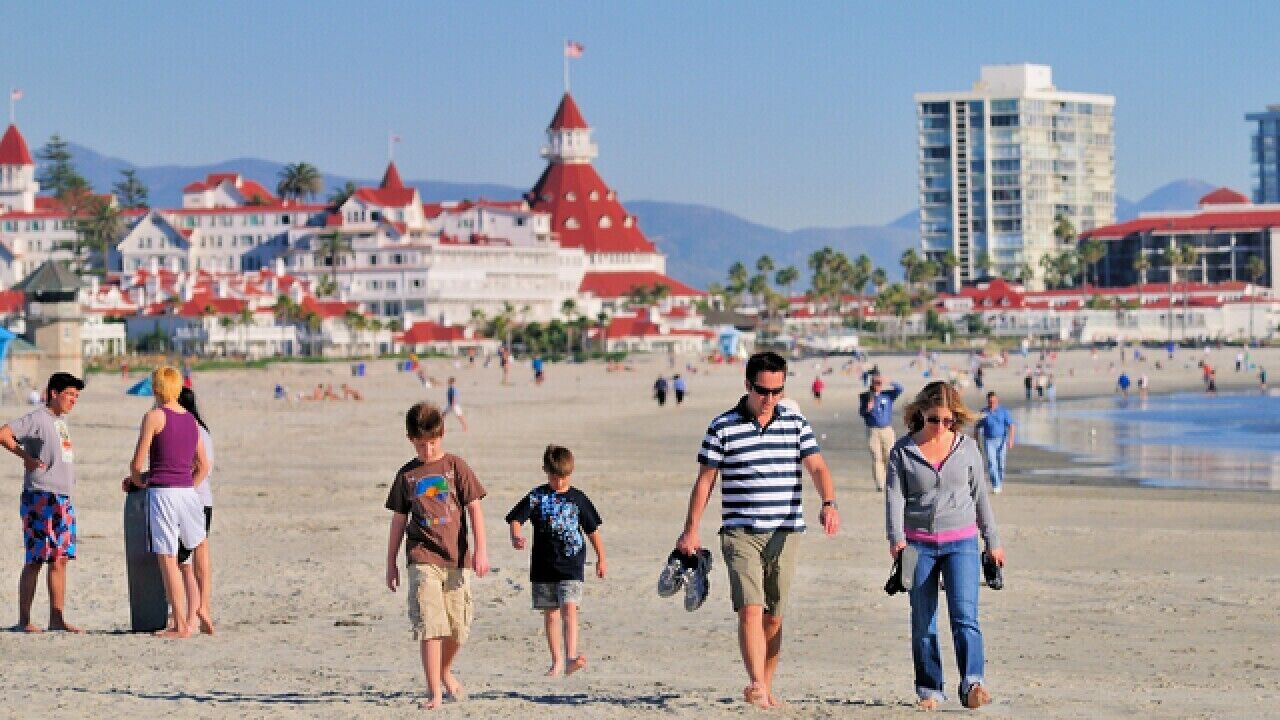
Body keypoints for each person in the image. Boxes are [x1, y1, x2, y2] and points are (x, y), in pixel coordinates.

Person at [676, 351, 839, 709]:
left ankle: (765, 684)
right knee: (750, 608)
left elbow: (817, 467)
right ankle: (756, 684)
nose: (769, 399)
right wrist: (691, 530)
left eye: (777, 391)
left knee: (774, 615)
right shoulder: (722, 426)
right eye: (763, 391)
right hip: (740, 531)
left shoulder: (795, 423)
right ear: (747, 385)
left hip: (786, 532)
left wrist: (828, 502)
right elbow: (705, 482)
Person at [886, 381, 1004, 710]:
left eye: (948, 421)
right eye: (935, 419)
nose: (941, 427)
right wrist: (896, 538)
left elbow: (980, 498)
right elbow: (894, 498)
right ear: (921, 414)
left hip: (962, 543)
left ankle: (973, 683)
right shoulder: (902, 451)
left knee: (965, 617)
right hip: (918, 546)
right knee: (923, 621)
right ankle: (930, 689)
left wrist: (992, 540)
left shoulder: (966, 449)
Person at [385, 402, 489, 710]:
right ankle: (434, 692)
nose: (428, 449)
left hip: (457, 559)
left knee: (458, 628)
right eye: (421, 444)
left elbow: (474, 508)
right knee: (431, 625)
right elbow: (398, 520)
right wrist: (390, 561)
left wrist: (481, 549)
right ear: (410, 440)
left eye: (433, 442)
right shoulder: (407, 476)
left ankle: (444, 670)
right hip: (422, 557)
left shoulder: (457, 466)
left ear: (442, 435)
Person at [123, 367, 210, 639]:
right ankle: (197, 613)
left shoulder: (153, 417)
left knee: (168, 559)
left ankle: (180, 625)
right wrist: (186, 483)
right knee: (189, 556)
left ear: (157, 388)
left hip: (163, 493)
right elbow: (203, 465)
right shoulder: (191, 421)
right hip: (188, 493)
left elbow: (137, 463)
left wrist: (140, 481)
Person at [506, 445, 605, 677]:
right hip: (543, 567)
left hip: (571, 565)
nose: (559, 482)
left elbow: (593, 530)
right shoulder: (537, 496)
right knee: (550, 613)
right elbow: (515, 519)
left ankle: (571, 657)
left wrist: (602, 557)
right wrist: (516, 535)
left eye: (564, 477)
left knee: (569, 609)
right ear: (545, 471)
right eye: (554, 477)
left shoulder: (578, 499)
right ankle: (557, 661)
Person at [0, 372, 86, 633]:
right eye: (70, 395)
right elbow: (4, 434)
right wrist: (24, 456)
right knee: (36, 559)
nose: (73, 400)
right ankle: (24, 620)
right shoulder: (37, 418)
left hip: (63, 497)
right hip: (40, 496)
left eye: (76, 396)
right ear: (53, 393)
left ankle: (56, 619)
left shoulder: (60, 422)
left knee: (60, 559)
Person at [174, 387, 215, 635]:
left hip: (190, 498)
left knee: (181, 559)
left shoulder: (189, 429)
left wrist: (183, 490)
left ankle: (190, 612)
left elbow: (201, 468)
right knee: (201, 555)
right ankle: (203, 608)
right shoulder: (204, 431)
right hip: (204, 499)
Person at [859, 374, 904, 492]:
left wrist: (889, 380)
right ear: (871, 383)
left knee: (889, 456)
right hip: (873, 430)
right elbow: (861, 412)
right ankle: (880, 484)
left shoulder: (888, 395)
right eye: (875, 382)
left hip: (887, 429)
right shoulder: (866, 396)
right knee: (876, 457)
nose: (877, 385)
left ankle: (891, 482)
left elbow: (900, 389)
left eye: (879, 383)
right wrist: (867, 409)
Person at [974, 392, 1015, 495]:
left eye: (994, 401)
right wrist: (976, 441)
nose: (992, 403)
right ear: (987, 401)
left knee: (1001, 463)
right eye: (990, 401)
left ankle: (999, 482)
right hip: (989, 440)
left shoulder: (1003, 411)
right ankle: (996, 485)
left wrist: (1011, 439)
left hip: (1002, 440)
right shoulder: (984, 412)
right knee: (992, 463)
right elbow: (977, 427)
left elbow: (1011, 426)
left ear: (997, 400)